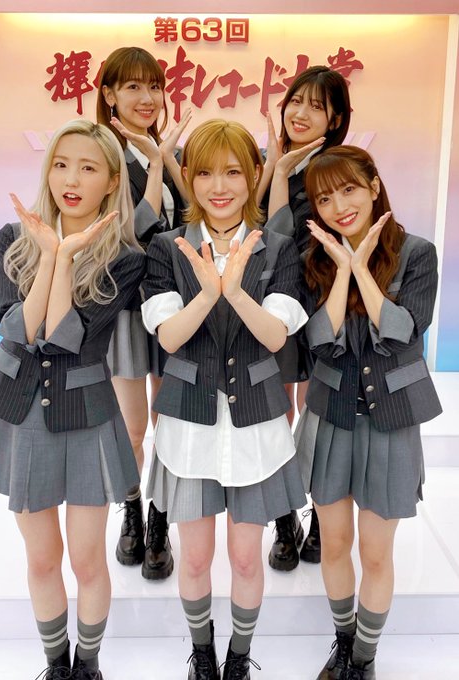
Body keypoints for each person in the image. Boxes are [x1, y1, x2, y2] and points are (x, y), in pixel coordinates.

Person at [0, 119, 146, 680]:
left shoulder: (126, 258)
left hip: (87, 413)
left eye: (88, 168)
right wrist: (49, 256)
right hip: (21, 409)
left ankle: (87, 666)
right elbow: (18, 331)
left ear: (111, 181)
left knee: (87, 559)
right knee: (42, 557)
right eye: (62, 164)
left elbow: (68, 337)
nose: (71, 179)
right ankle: (56, 665)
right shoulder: (12, 238)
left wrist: (68, 258)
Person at [141, 119, 309, 679]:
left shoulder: (277, 248)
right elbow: (168, 337)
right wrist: (208, 292)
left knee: (243, 558)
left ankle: (238, 657)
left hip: (256, 425)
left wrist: (233, 291)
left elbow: (276, 336)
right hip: (188, 425)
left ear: (255, 175)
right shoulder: (167, 247)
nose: (219, 186)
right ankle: (203, 655)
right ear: (188, 177)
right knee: (194, 557)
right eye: (206, 173)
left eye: (234, 172)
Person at [296, 145, 442, 679]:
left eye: (349, 190)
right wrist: (342, 271)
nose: (339, 207)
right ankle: (343, 643)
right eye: (324, 198)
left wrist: (362, 269)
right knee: (334, 543)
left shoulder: (416, 253)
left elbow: (403, 332)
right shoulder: (312, 258)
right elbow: (318, 340)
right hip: (331, 417)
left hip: (391, 419)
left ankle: (363, 659)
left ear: (374, 186)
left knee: (377, 553)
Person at [97, 46, 189, 580]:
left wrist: (166, 159)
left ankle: (160, 519)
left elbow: (195, 212)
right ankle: (131, 512)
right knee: (133, 428)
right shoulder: (103, 153)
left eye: (153, 86)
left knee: (167, 422)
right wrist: (155, 165)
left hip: (176, 306)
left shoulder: (164, 149)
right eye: (132, 86)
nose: (146, 97)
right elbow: (134, 230)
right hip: (129, 308)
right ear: (109, 94)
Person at [261, 65, 351, 573]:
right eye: (296, 101)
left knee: (317, 413)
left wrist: (281, 175)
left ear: (334, 119)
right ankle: (283, 520)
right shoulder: (266, 162)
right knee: (277, 415)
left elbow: (293, 244)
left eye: (316, 106)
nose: (301, 113)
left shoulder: (333, 171)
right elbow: (262, 241)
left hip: (321, 305)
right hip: (271, 309)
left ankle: (319, 515)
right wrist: (275, 172)